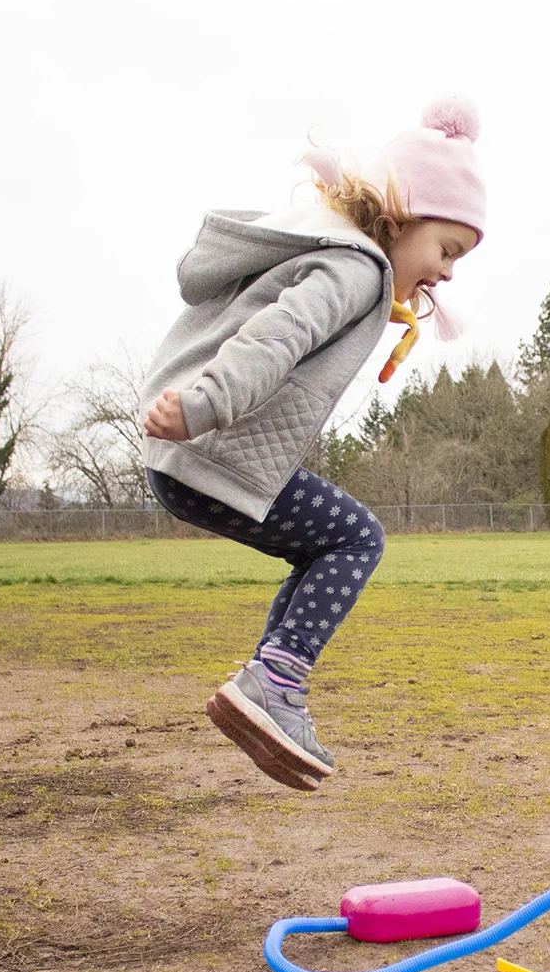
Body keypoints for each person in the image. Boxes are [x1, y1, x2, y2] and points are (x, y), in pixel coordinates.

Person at [139, 100, 486, 791]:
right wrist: (205, 404)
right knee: (357, 537)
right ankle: (274, 683)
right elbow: (277, 337)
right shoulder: (353, 270)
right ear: (400, 214)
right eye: (446, 250)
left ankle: (267, 686)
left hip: (189, 461)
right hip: (211, 453)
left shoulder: (344, 261)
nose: (447, 273)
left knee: (323, 543)